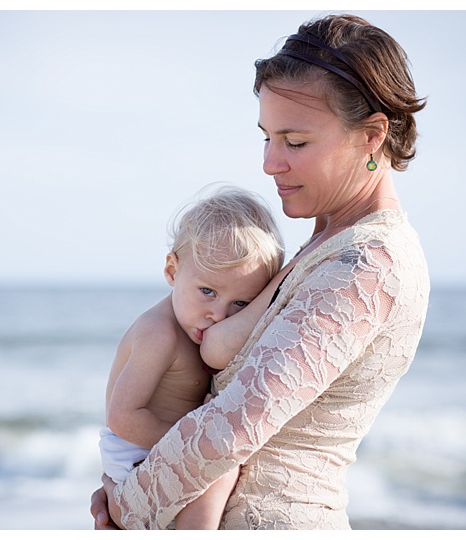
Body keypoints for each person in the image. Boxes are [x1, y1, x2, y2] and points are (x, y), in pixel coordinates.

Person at [91, 13, 430, 529]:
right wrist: (126, 483)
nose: (271, 163)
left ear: (372, 136)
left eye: (295, 142)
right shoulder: (325, 245)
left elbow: (232, 429)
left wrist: (126, 506)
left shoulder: (367, 264)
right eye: (266, 137)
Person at [99, 186, 285, 529]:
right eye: (208, 292)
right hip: (134, 452)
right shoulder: (160, 333)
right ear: (172, 271)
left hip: (154, 447)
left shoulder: (194, 323)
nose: (220, 314)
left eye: (241, 304)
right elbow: (122, 417)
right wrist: (194, 445)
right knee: (219, 474)